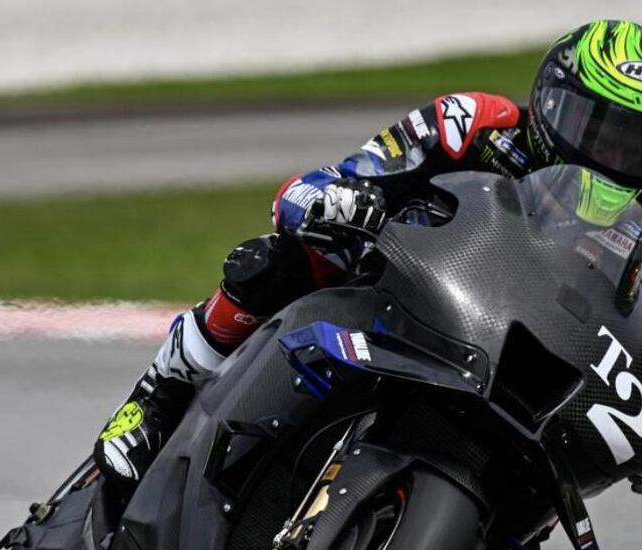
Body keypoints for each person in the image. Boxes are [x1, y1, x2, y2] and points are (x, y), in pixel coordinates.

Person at [95, 18, 642, 490]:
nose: (611, 157)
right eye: (600, 132)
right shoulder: (474, 125)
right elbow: (326, 183)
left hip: (509, 358)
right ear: (552, 101)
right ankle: (158, 394)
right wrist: (336, 202)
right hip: (396, 294)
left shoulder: (635, 230)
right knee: (278, 264)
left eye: (631, 146)